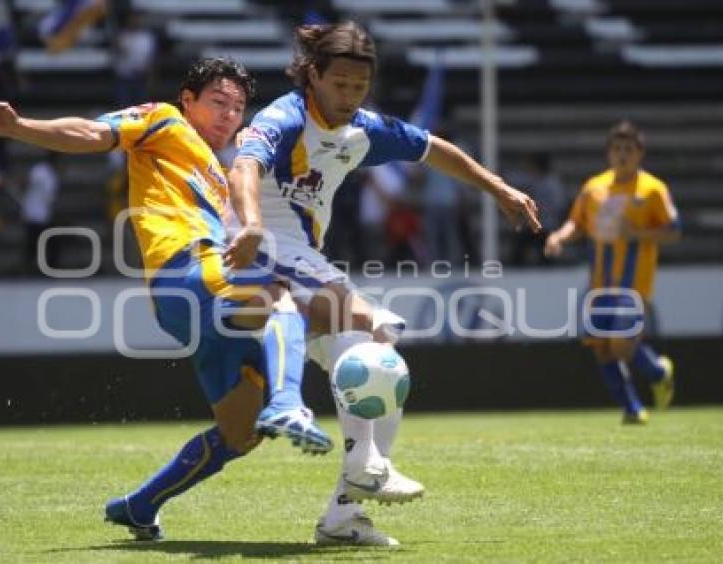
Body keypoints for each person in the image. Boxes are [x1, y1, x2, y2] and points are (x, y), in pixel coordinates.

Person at [0, 58, 332, 541]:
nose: (228, 115)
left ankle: (139, 507)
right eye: (217, 102)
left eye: (238, 108)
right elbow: (92, 132)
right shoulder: (165, 121)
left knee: (241, 434)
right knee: (278, 295)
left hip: (192, 303)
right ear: (188, 100)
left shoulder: (223, 175)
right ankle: (290, 402)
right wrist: (19, 127)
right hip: (187, 270)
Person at [228, 21, 542, 546]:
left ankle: (343, 517)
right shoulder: (285, 117)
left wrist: (500, 188)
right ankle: (364, 464)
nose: (350, 96)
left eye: (359, 86)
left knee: (381, 366)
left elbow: (433, 149)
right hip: (261, 253)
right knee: (377, 326)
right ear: (313, 75)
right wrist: (253, 223)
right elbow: (243, 167)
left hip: (304, 264)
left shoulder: (362, 131)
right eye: (340, 84)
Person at [545, 121, 679, 424]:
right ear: (608, 153)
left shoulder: (653, 189)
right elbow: (577, 223)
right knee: (603, 350)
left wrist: (639, 233)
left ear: (640, 153)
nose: (622, 155)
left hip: (634, 283)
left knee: (620, 342)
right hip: (598, 284)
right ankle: (632, 409)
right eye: (617, 149)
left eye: (628, 150)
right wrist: (559, 237)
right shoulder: (594, 188)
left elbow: (673, 231)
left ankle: (658, 371)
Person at [508, 152, 566, 266]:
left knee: (546, 253)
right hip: (534, 226)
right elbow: (515, 179)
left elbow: (559, 206)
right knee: (520, 244)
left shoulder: (552, 184)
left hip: (547, 226)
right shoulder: (533, 180)